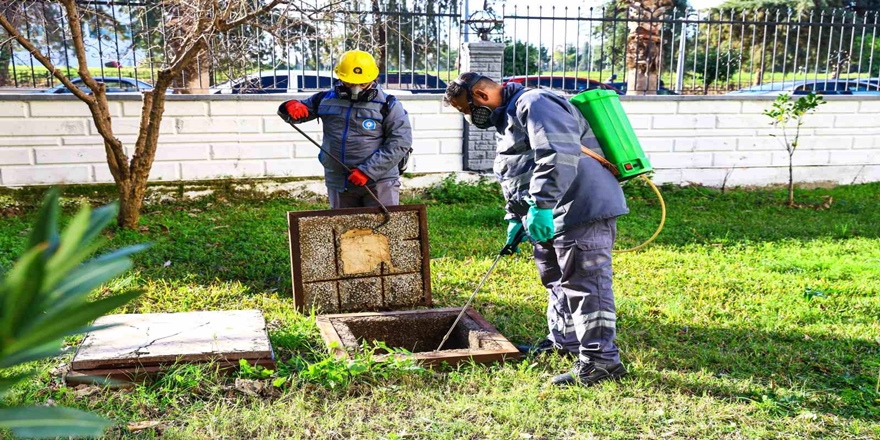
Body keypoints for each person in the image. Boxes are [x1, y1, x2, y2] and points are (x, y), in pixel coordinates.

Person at [443, 72, 630, 387]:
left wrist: (541, 205)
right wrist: (516, 216)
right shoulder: (508, 119)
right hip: (550, 212)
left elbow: (556, 154)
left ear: (481, 96)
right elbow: (518, 170)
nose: (469, 118)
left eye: (466, 110)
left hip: (580, 205)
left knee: (586, 284)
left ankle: (601, 362)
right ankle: (565, 341)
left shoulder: (536, 102)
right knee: (555, 278)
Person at [277, 50, 413, 208]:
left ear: (373, 78)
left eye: (363, 83)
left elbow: (400, 142)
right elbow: (295, 114)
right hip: (339, 181)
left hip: (379, 182)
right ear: (340, 78)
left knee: (382, 224)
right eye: (350, 83)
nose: (356, 89)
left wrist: (368, 171)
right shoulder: (323, 100)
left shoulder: (388, 105)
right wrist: (288, 106)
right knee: (343, 224)